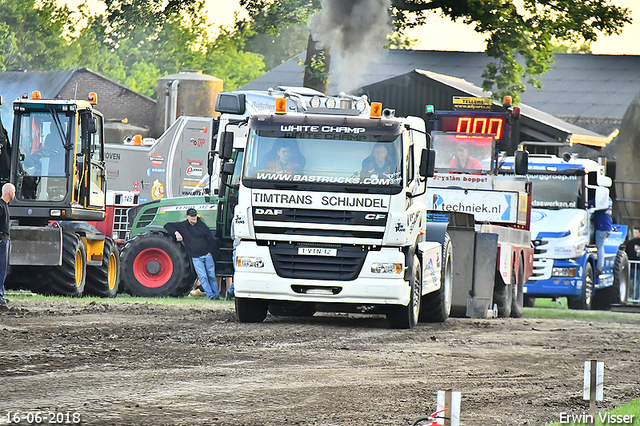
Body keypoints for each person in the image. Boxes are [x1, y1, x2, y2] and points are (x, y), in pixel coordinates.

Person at [164, 208, 220, 300]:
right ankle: (211, 296)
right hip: (196, 257)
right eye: (192, 216)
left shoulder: (202, 226)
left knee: (211, 276)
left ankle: (216, 295)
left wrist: (210, 253)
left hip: (207, 255)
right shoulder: (183, 226)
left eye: (195, 216)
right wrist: (176, 233)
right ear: (187, 217)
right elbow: (167, 225)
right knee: (203, 277)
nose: (194, 218)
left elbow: (211, 240)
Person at [0, 183, 16, 306]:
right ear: (10, 193)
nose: (14, 194)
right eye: (14, 192)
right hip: (2, 241)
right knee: (1, 268)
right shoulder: (0, 206)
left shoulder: (4, 206)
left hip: (6, 240)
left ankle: (1, 293)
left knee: (4, 268)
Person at [591, 196, 613, 275]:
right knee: (601, 246)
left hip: (601, 227)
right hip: (608, 226)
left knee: (599, 247)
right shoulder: (609, 199)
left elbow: (589, 204)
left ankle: (599, 267)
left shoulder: (601, 198)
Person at [625, 227, 640, 300]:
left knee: (636, 282)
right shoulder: (630, 243)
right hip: (632, 266)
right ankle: (633, 298)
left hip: (637, 266)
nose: (635, 234)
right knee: (633, 282)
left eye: (636, 232)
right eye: (634, 232)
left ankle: (635, 298)